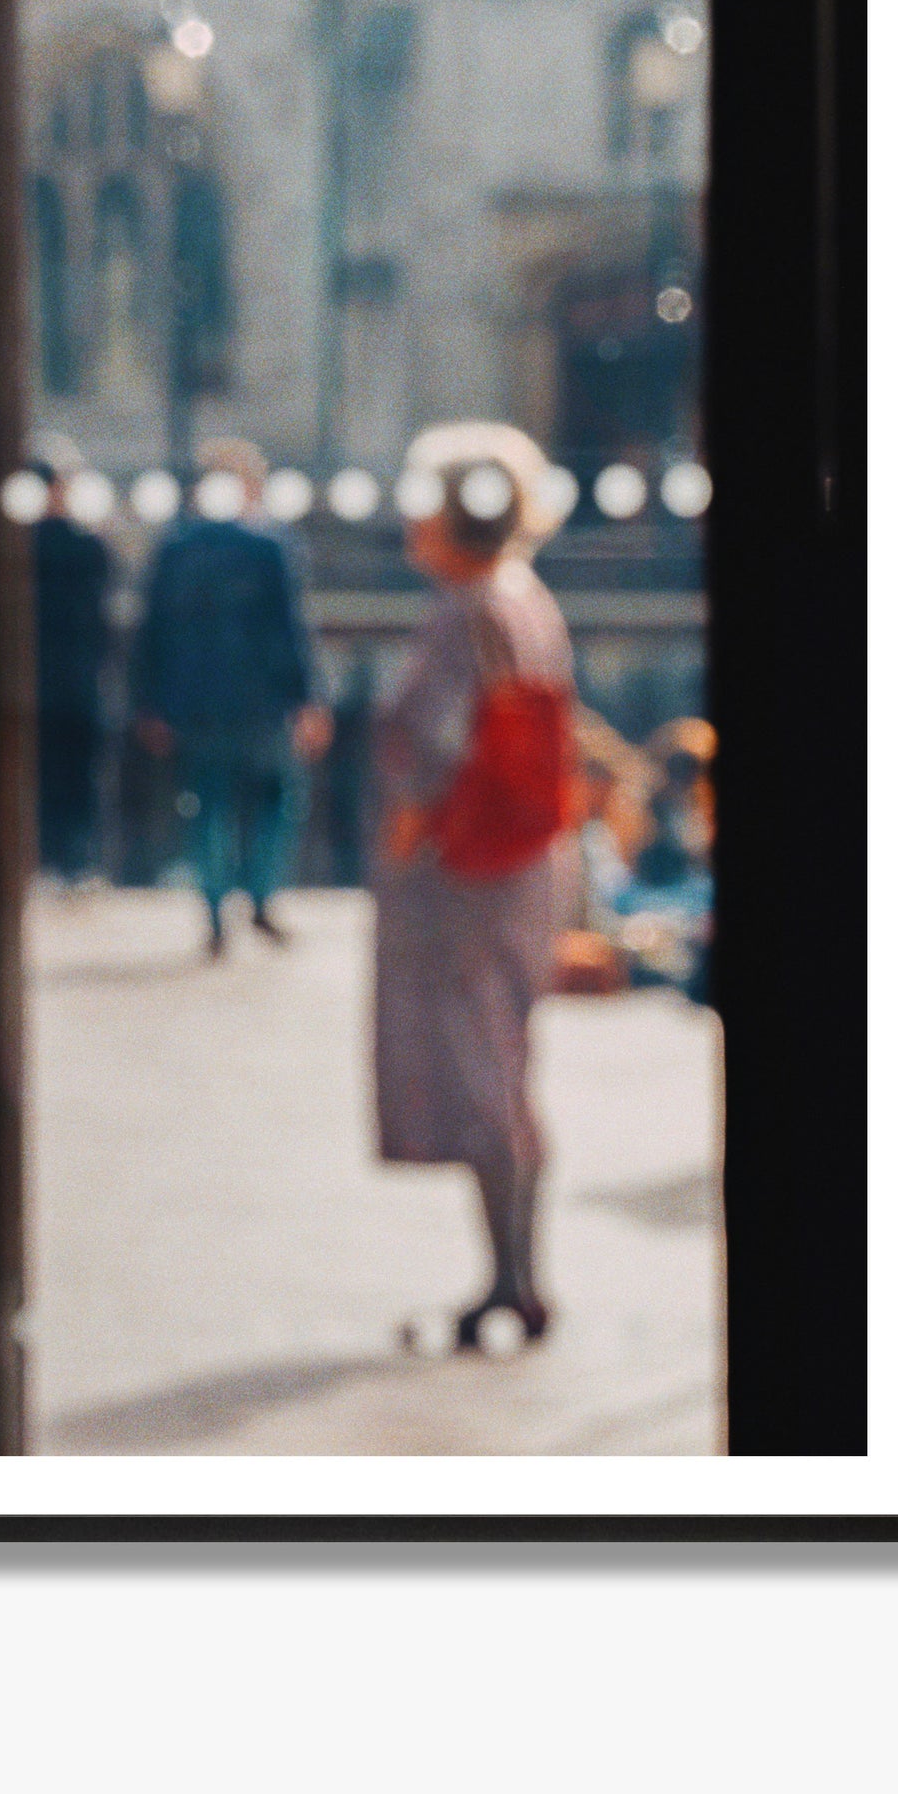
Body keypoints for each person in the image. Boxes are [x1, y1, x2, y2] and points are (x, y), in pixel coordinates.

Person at [373, 422, 578, 1350]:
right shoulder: (527, 596)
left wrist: (414, 829)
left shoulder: (464, 611)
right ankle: (518, 1272)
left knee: (480, 1066)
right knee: (507, 1062)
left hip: (468, 875)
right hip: (526, 867)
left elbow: (438, 744)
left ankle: (510, 1279)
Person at [130, 439, 332, 954]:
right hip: (260, 699)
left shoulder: (175, 549)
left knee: (207, 803)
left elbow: (149, 630)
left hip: (194, 701)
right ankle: (258, 896)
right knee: (275, 799)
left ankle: (218, 907)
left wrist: (149, 701)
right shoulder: (269, 548)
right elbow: (291, 630)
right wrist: (308, 698)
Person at [29, 440, 112, 881]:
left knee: (72, 775)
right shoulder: (84, 545)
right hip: (60, 681)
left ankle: (72, 862)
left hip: (68, 681)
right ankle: (64, 862)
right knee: (58, 776)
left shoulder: (82, 545)